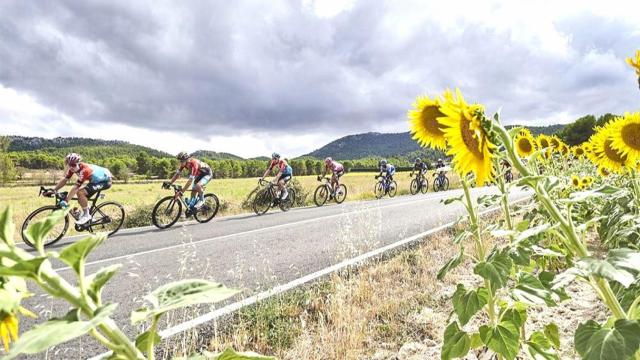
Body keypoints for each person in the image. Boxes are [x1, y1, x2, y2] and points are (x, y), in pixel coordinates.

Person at [45, 153, 113, 225]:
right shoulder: (73, 168)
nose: (71, 167)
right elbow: (65, 179)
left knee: (80, 193)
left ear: (78, 163)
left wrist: (66, 200)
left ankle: (87, 215)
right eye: (69, 165)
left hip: (105, 181)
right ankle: (90, 217)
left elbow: (76, 187)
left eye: (73, 165)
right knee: (81, 199)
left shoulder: (85, 170)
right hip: (95, 181)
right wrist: (54, 190)